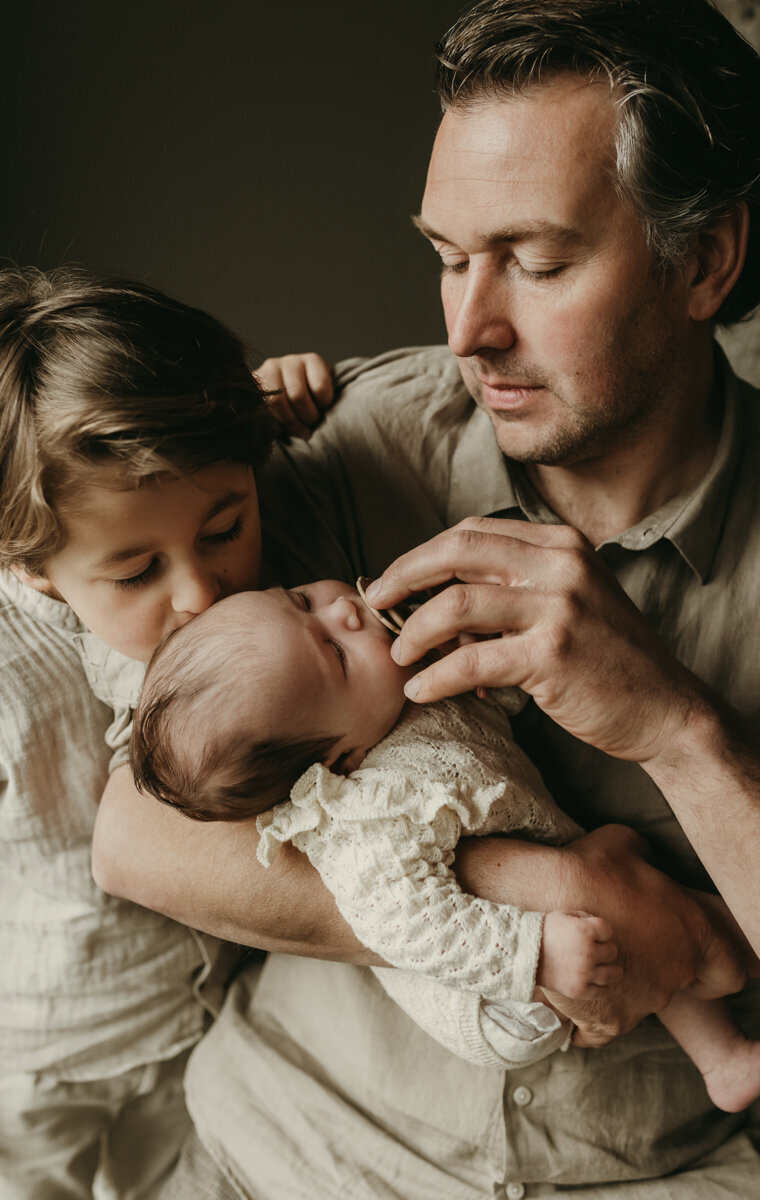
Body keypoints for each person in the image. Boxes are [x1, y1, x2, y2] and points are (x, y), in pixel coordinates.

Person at [90, 0, 760, 1195]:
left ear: (703, 260)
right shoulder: (353, 444)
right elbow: (136, 829)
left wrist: (678, 731)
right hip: (284, 1148)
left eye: (535, 261)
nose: (469, 327)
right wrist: (542, 896)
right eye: (445, 256)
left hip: (647, 1176)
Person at [130, 578, 760, 1114]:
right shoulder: (371, 815)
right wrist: (532, 958)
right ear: (341, 759)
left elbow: (491, 714)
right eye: (335, 652)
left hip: (529, 915)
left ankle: (725, 1060)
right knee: (619, 870)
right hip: (490, 998)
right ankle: (723, 983)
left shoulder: (393, 697)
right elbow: (407, 925)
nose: (343, 610)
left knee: (621, 860)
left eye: (301, 599)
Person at [0, 264, 278, 1199]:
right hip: (39, 1051)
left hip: (195, 1027)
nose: (199, 597)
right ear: (32, 568)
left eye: (225, 528)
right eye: (134, 573)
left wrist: (299, 393)